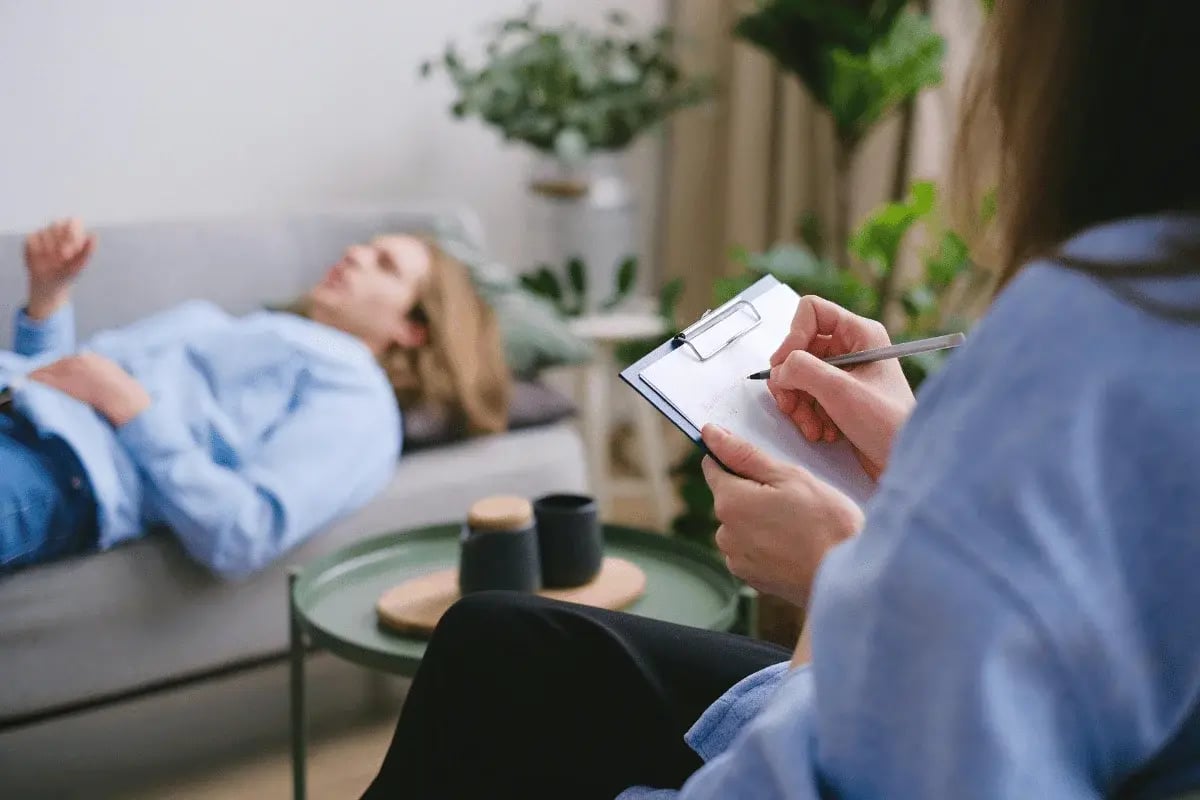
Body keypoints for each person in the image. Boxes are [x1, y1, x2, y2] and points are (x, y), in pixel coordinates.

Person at [361, 1, 1200, 798]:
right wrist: (918, 465)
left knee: (494, 676)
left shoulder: (1089, 340)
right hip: (912, 695)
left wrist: (836, 576)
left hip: (850, 719)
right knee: (496, 637)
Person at [0, 219, 509, 578]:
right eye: (366, 247)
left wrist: (132, 409)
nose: (355, 254)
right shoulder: (260, 329)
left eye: (385, 265)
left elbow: (244, 533)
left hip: (53, 468)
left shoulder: (357, 396)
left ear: (413, 329)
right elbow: (59, 382)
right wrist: (49, 297)